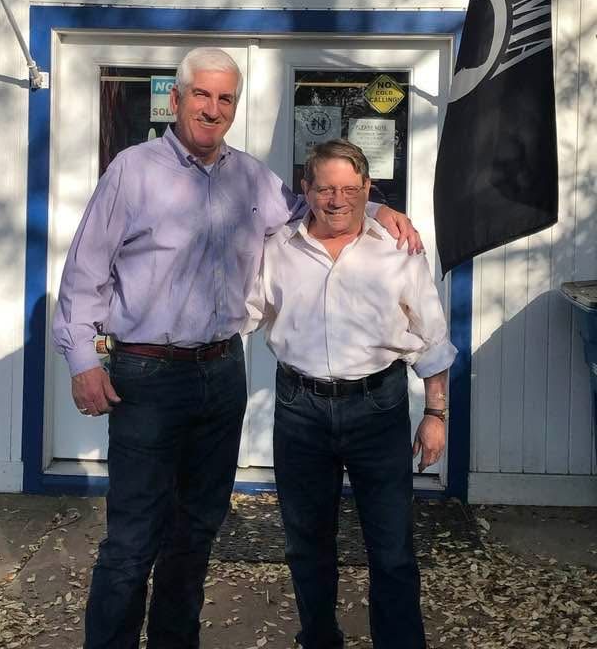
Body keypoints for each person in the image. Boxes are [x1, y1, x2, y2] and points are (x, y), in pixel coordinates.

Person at [52, 48, 422, 649]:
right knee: (132, 538)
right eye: (202, 95)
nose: (213, 109)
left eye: (225, 99)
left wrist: (377, 207)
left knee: (196, 533)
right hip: (146, 374)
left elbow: (319, 207)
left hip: (221, 373)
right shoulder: (132, 171)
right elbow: (84, 272)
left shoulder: (251, 178)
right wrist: (83, 361)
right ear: (176, 99)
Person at [247, 138, 457, 649]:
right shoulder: (278, 250)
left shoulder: (399, 251)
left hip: (377, 407)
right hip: (300, 411)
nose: (337, 200)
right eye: (325, 189)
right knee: (307, 544)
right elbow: (241, 319)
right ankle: (319, 639)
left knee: (391, 548)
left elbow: (431, 337)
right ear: (307, 190)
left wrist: (435, 413)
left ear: (368, 188)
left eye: (348, 188)